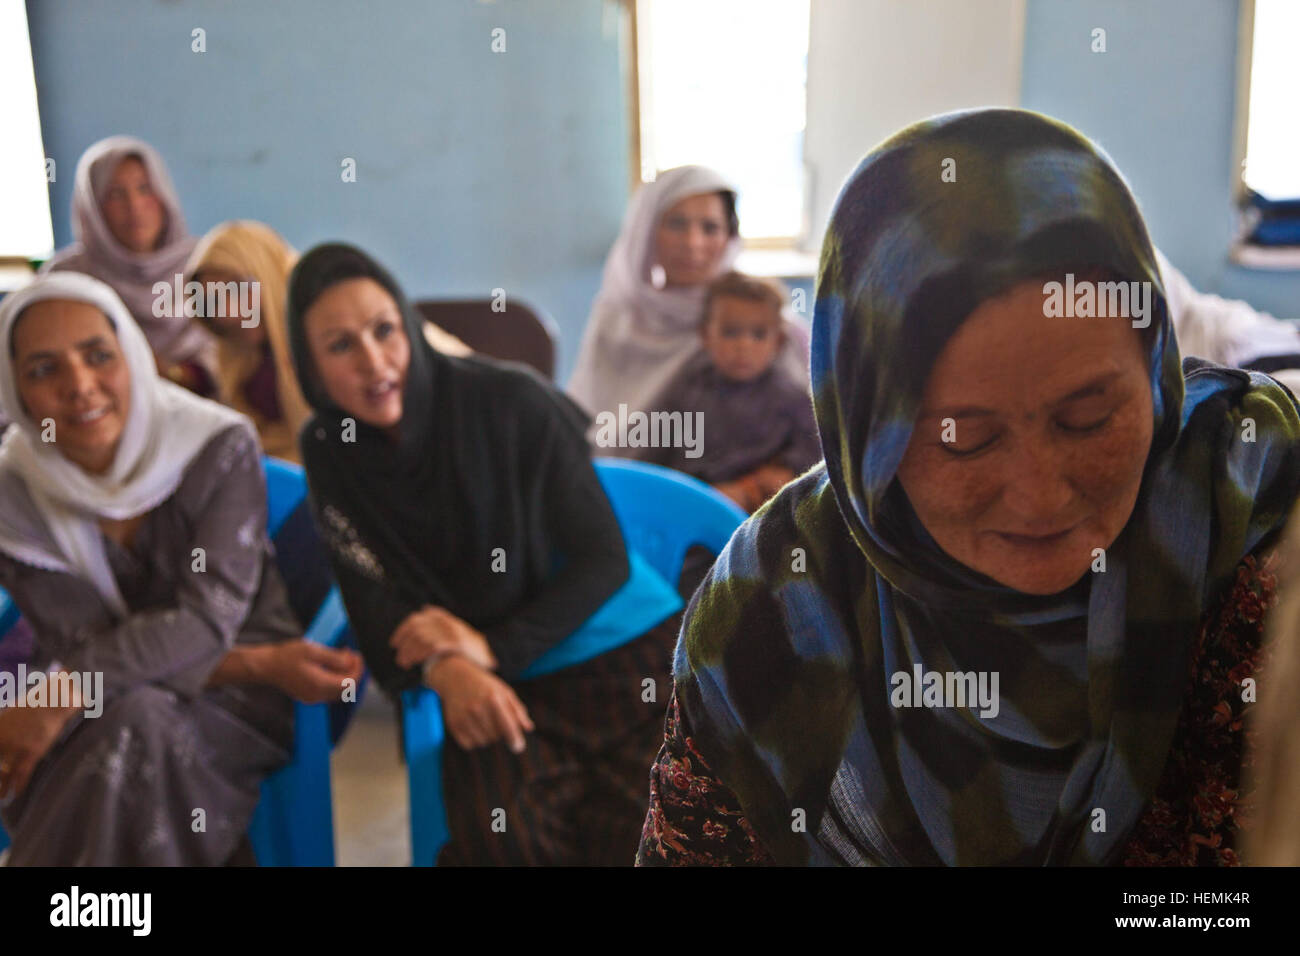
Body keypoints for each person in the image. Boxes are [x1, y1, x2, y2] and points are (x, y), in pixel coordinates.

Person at [636, 108, 1300, 867]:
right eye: (966, 438)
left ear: (1153, 377)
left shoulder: (1257, 536)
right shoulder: (777, 608)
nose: (1041, 494)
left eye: (1088, 418)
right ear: (868, 440)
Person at [287, 243, 683, 866]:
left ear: (410, 327)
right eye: (339, 345)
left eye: (384, 330)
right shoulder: (329, 447)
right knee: (504, 838)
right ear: (310, 366)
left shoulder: (508, 402)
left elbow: (603, 559)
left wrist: (491, 647)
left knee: (644, 835)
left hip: (624, 662)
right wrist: (447, 668)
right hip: (497, 686)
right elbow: (372, 603)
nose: (372, 361)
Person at [0, 272, 362, 866]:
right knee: (131, 721)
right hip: (101, 697)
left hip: (243, 702)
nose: (80, 387)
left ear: (133, 358)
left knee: (130, 726)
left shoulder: (215, 447)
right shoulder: (16, 491)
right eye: (44, 370)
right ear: (15, 390)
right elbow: (84, 642)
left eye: (98, 356)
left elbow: (202, 621)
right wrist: (65, 694)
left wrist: (58, 695)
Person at [567, 165, 809, 422]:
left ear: (729, 237)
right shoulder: (617, 317)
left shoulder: (766, 325)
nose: (693, 243)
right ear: (647, 231)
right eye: (677, 224)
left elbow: (807, 425)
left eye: (710, 228)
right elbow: (586, 419)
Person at [42, 136, 217, 396]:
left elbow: (237, 361)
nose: (134, 206)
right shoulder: (66, 279)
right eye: (115, 194)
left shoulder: (206, 263)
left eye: (145, 188)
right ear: (92, 206)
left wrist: (174, 373)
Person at [633, 270, 820, 512]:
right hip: (688, 501)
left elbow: (816, 461)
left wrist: (757, 485)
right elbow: (653, 452)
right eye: (730, 332)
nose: (743, 346)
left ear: (779, 342)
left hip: (756, 514)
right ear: (705, 335)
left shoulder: (791, 397)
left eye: (758, 335)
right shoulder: (689, 387)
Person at [183, 221, 313, 463]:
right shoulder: (235, 360)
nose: (230, 313)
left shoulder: (325, 338)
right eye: (213, 302)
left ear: (270, 276)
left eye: (239, 289)